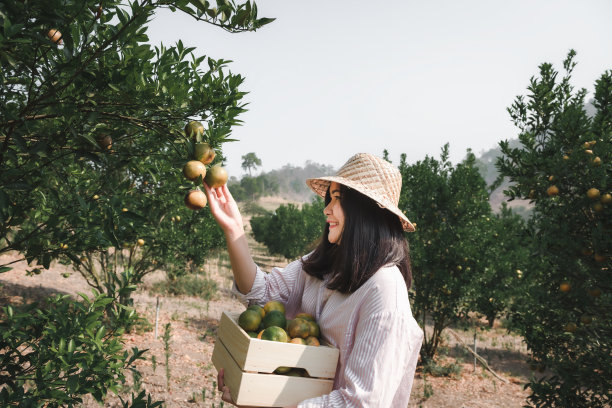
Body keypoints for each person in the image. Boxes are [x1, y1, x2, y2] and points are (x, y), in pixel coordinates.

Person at [203, 153, 423, 407]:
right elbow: (261, 296)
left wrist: (264, 400)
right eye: (330, 197)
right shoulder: (325, 266)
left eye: (338, 199)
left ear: (365, 211)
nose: (326, 208)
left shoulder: (384, 292)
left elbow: (361, 403)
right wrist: (234, 230)